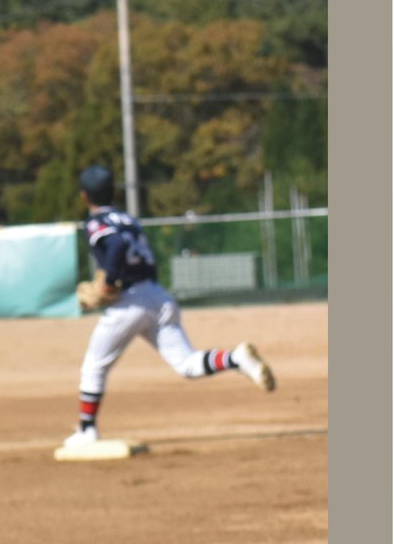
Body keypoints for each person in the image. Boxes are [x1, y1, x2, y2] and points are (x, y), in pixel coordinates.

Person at [64, 164, 275, 448]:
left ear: (84, 196)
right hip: (157, 295)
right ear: (114, 192)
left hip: (129, 303)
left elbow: (116, 246)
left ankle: (87, 430)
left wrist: (109, 284)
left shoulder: (95, 222)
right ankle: (235, 359)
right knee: (187, 363)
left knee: (93, 366)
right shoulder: (128, 219)